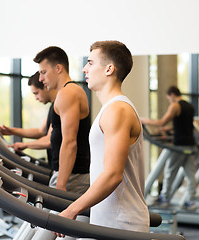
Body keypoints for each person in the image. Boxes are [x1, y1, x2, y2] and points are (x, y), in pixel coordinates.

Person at [54, 40, 149, 237]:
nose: (84, 69)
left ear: (109, 69)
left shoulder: (117, 110)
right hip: (109, 219)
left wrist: (71, 210)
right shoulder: (110, 109)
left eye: (90, 62)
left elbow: (113, 174)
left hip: (121, 223)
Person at [34, 46, 90, 194]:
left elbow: (70, 142)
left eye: (43, 72)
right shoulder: (67, 93)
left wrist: (61, 185)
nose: (40, 79)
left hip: (71, 177)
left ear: (58, 68)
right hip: (69, 175)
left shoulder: (68, 93)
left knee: (54, 217)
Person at [141, 86, 197, 210]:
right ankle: (190, 200)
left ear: (172, 94)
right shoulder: (190, 106)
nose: (169, 101)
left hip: (179, 145)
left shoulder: (175, 106)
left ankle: (165, 198)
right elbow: (185, 125)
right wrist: (168, 129)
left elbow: (161, 122)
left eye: (168, 99)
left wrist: (145, 121)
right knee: (190, 174)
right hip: (191, 144)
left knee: (170, 171)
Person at [0, 71, 57, 166]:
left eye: (36, 93)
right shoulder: (53, 107)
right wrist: (11, 131)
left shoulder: (59, 106)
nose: (36, 98)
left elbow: (49, 140)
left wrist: (25, 145)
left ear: (45, 86)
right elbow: (41, 131)